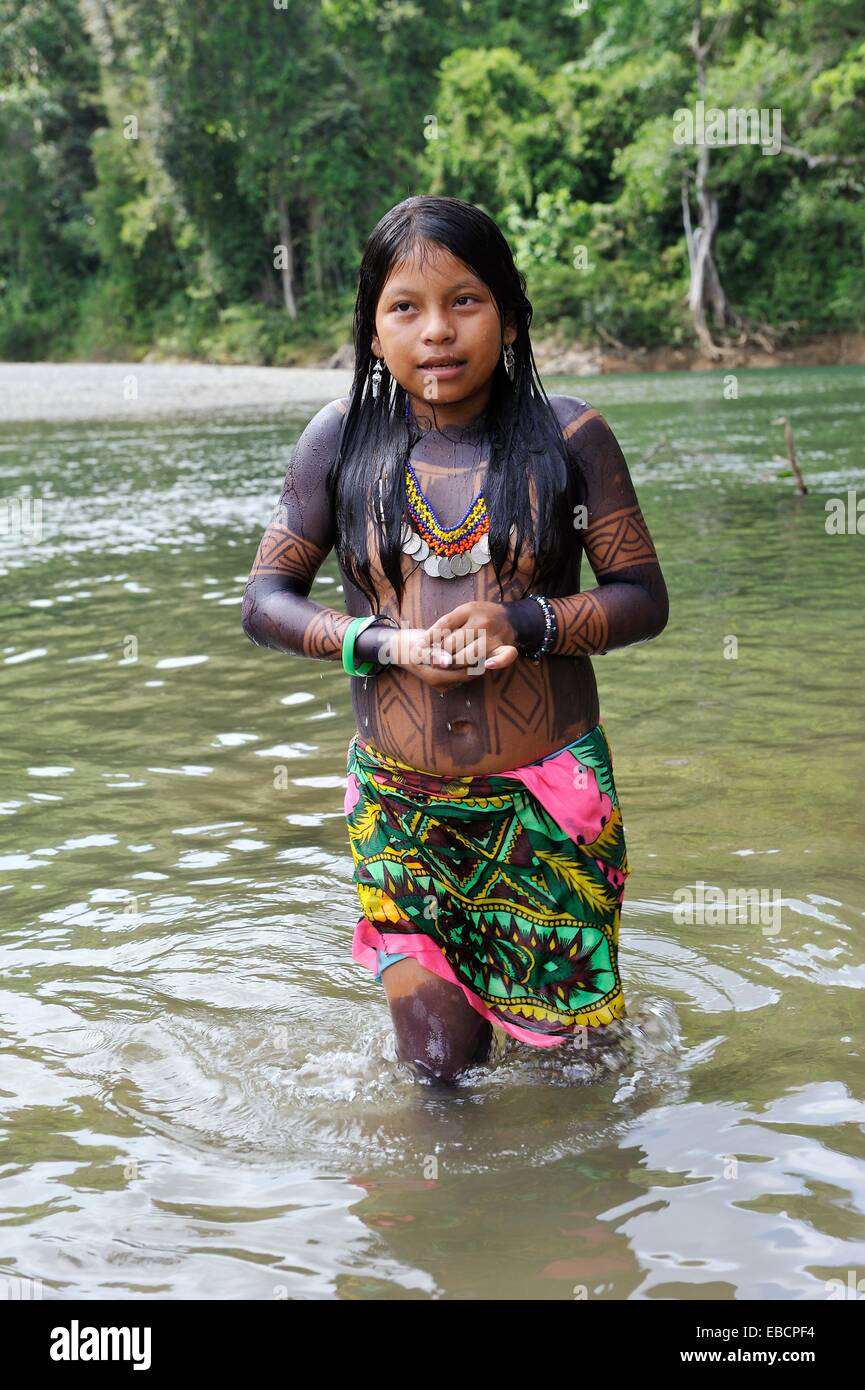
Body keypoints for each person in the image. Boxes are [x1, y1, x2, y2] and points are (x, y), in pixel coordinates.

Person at [242, 195, 669, 1086]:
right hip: (399, 808)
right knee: (437, 1069)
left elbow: (641, 598)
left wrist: (527, 622)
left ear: (509, 320)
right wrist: (384, 644)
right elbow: (265, 602)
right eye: (404, 307)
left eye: (464, 301)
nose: (435, 331)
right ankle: (444, 1217)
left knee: (579, 1073)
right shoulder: (339, 442)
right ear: (371, 332)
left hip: (547, 803)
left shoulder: (568, 437)